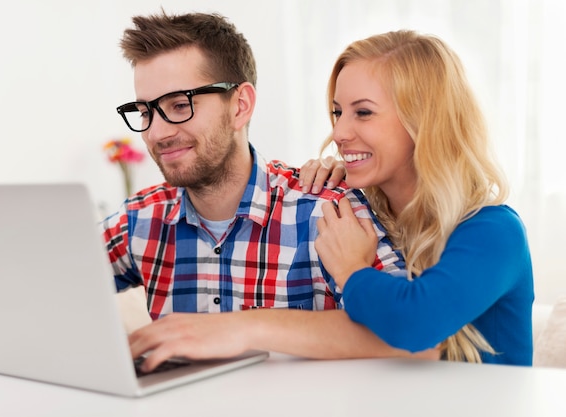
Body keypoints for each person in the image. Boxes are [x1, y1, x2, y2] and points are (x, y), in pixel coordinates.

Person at [102, 11, 438, 372]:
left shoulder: (326, 209)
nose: (156, 133)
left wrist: (245, 328)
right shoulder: (137, 220)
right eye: (145, 112)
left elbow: (417, 340)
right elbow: (44, 286)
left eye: (180, 106)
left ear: (240, 106)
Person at [300, 30, 533, 365]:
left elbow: (415, 323)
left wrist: (352, 269)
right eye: (338, 112)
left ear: (422, 121)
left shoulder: (496, 231)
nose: (338, 133)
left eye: (363, 112)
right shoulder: (363, 215)